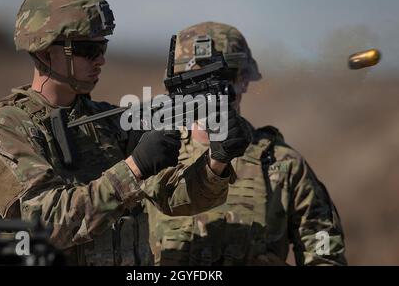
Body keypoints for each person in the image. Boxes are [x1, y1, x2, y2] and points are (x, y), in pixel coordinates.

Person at [0, 0, 249, 265]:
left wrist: (217, 161)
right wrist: (134, 168)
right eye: (88, 50)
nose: (101, 60)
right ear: (45, 53)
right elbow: (42, 225)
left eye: (102, 47)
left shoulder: (107, 121)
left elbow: (172, 198)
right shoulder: (10, 127)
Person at [147, 21, 347, 266]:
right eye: (196, 79)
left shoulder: (282, 166)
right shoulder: (152, 159)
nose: (210, 90)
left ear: (243, 81)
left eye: (223, 77)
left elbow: (326, 257)